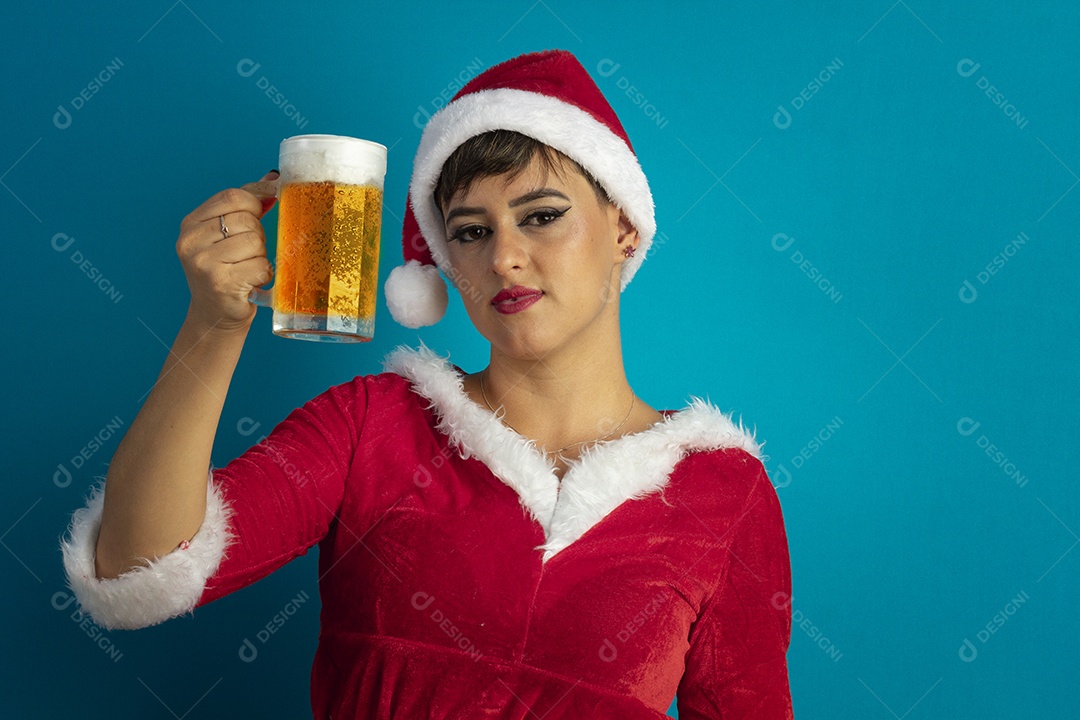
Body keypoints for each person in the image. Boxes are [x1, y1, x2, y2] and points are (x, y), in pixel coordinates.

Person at [61, 50, 793, 719]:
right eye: (471, 231)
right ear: (444, 259)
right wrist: (212, 329)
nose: (505, 257)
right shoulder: (370, 426)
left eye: (541, 216)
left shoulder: (723, 492)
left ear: (625, 227)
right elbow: (136, 565)